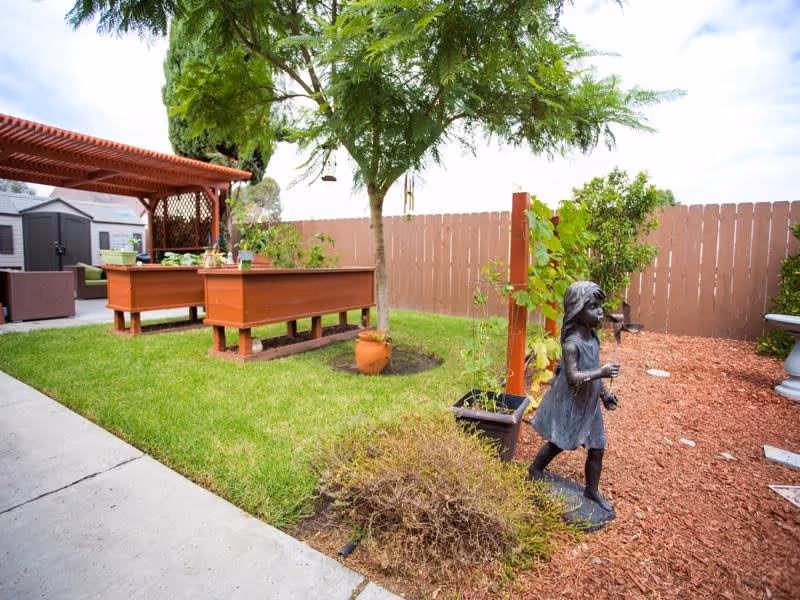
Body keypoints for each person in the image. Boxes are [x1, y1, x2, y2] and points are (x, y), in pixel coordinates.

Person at [528, 281, 620, 512]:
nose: (600, 311)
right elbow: (572, 377)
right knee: (559, 442)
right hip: (571, 403)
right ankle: (535, 469)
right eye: (593, 306)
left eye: (600, 306)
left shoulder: (593, 339)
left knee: (597, 447)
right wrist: (602, 372)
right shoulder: (572, 344)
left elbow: (594, 369)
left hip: (589, 403)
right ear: (578, 311)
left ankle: (591, 489)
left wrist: (605, 395)